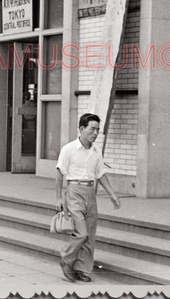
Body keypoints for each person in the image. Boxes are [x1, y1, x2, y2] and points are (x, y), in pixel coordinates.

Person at [55, 113, 121, 282]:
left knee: (90, 234)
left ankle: (82, 269)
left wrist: (112, 194)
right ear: (82, 129)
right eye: (92, 129)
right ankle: (66, 257)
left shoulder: (96, 150)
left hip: (91, 193)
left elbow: (100, 174)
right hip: (74, 192)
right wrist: (58, 198)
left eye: (98, 129)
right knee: (81, 232)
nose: (96, 133)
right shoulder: (68, 149)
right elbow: (59, 174)